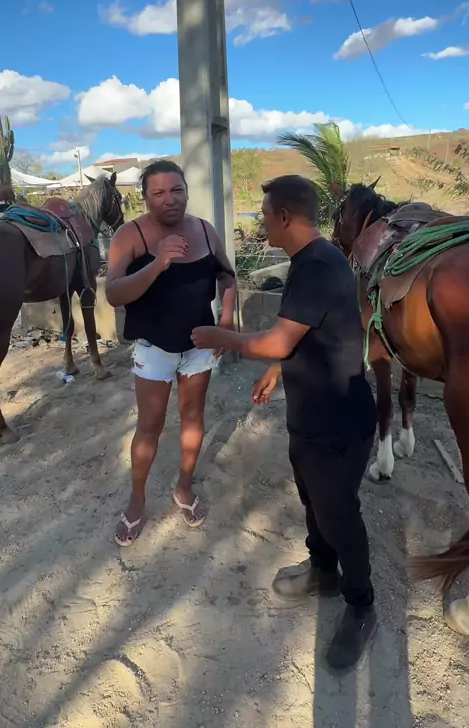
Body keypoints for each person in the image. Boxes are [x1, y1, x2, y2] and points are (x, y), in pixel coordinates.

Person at [192, 174, 378, 671]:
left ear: (284, 217)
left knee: (338, 514)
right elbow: (312, 332)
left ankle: (362, 607)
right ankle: (324, 571)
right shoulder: (311, 260)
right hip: (311, 415)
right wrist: (279, 368)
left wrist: (223, 337)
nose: (262, 222)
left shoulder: (317, 264)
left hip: (339, 420)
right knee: (314, 501)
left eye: (264, 214)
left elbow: (277, 338)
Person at [106, 159, 236, 545]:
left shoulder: (205, 230)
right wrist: (158, 263)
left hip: (199, 346)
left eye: (177, 190)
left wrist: (225, 322)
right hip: (154, 347)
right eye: (159, 193)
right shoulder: (130, 235)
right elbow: (114, 293)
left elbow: (227, 275)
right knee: (150, 425)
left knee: (193, 416)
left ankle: (184, 487)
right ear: (145, 198)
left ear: (187, 192)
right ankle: (137, 501)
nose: (169, 199)